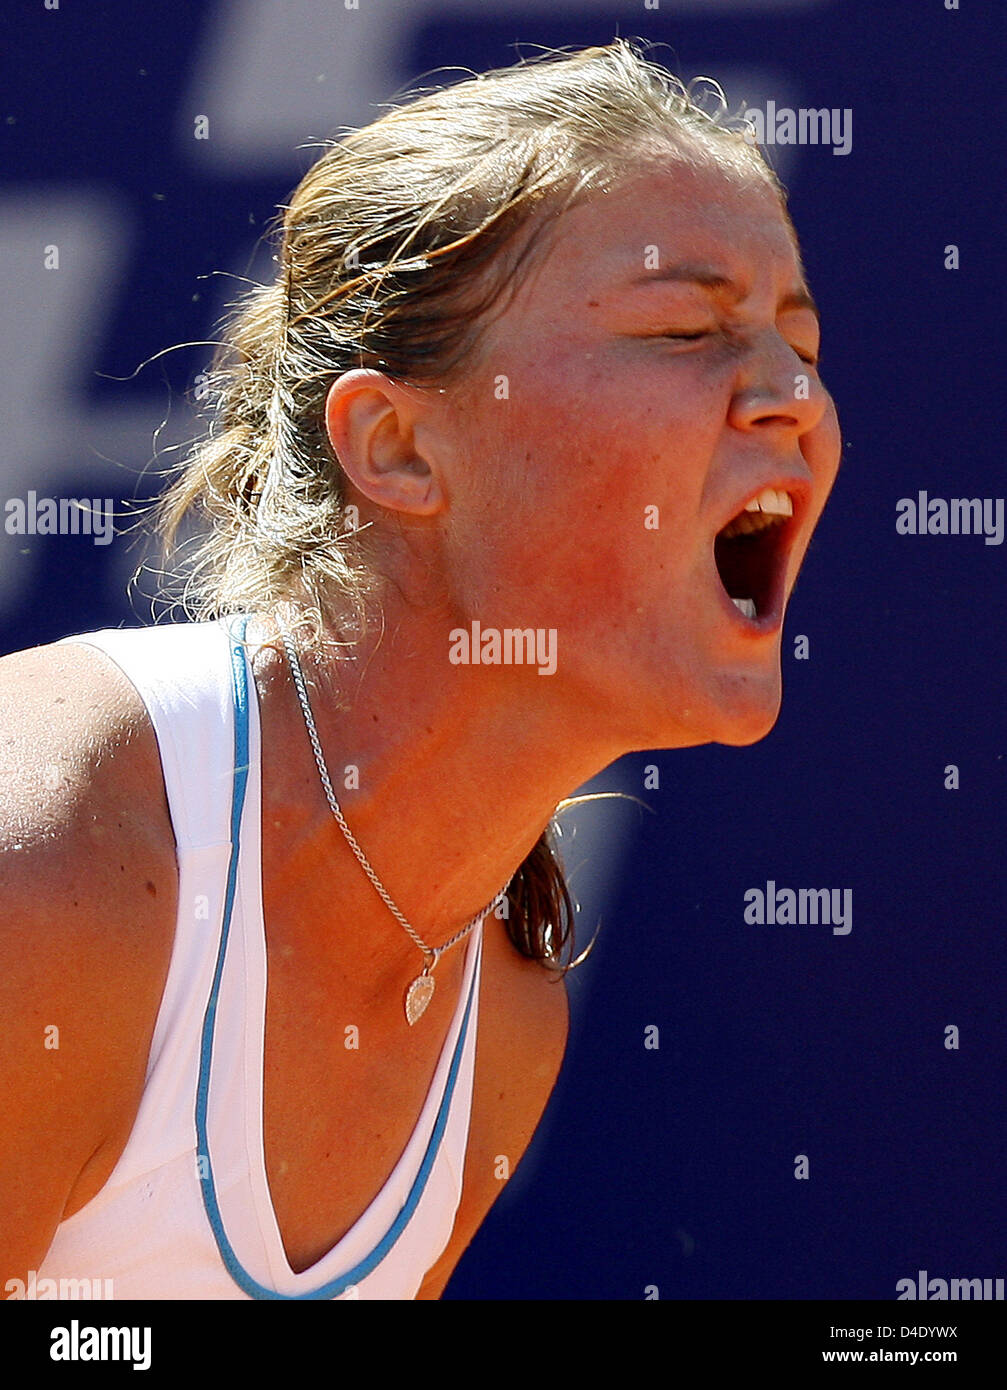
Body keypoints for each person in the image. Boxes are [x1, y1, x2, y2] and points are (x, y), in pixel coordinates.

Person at [0, 39, 840, 1300]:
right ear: (396, 448)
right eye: (682, 328)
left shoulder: (501, 1018)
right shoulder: (52, 866)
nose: (789, 395)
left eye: (799, 344)